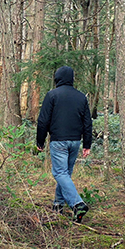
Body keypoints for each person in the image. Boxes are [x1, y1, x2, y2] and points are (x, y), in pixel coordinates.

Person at [36, 66, 93, 223]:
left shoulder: (52, 95)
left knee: (59, 173)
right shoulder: (81, 97)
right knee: (65, 174)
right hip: (75, 141)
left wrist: (39, 141)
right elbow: (87, 122)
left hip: (59, 141)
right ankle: (58, 205)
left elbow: (43, 120)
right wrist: (87, 144)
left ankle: (77, 204)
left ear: (57, 78)